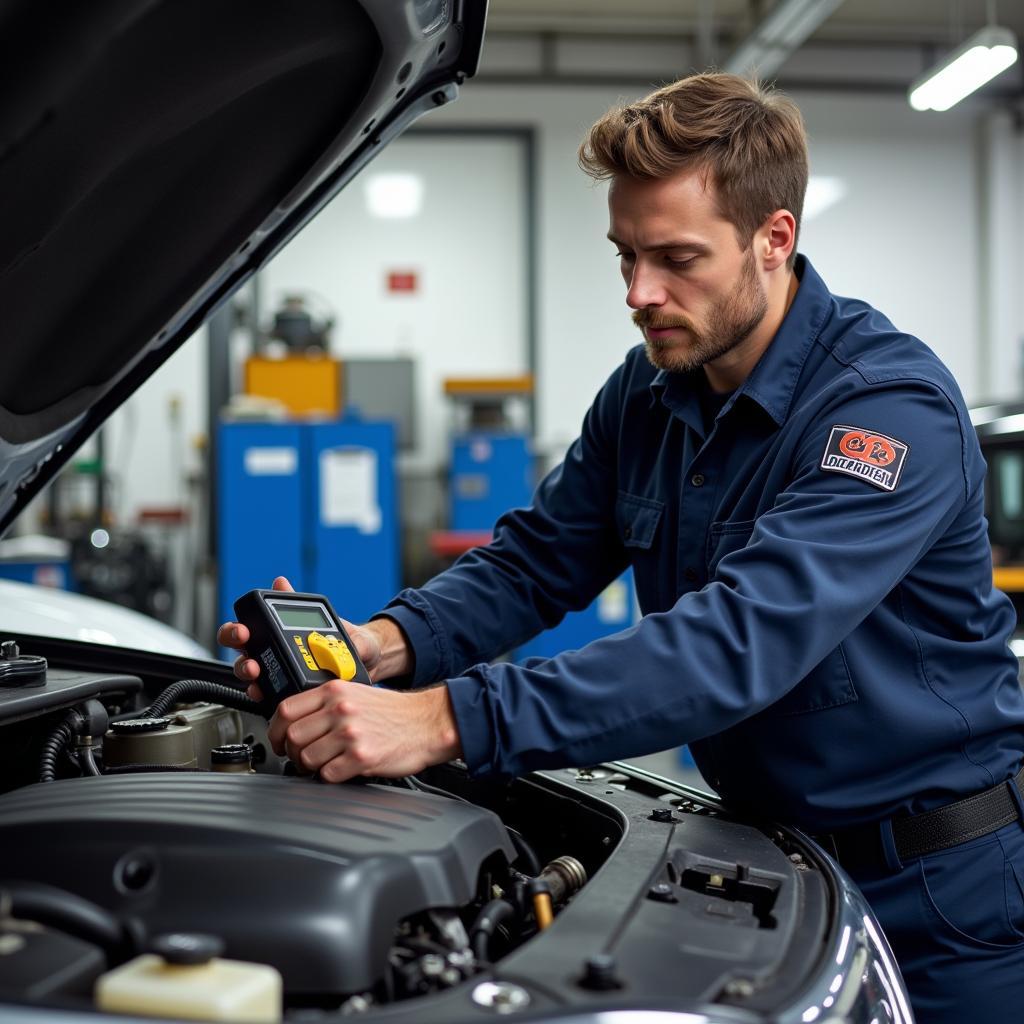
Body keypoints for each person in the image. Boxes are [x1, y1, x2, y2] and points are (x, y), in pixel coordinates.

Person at [220, 73, 1024, 1019]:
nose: (642, 294)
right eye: (626, 257)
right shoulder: (646, 396)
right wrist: (377, 646)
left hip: (940, 896)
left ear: (775, 239)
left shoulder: (886, 412)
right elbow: (533, 562)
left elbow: (737, 643)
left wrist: (444, 719)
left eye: (677, 258)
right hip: (770, 867)